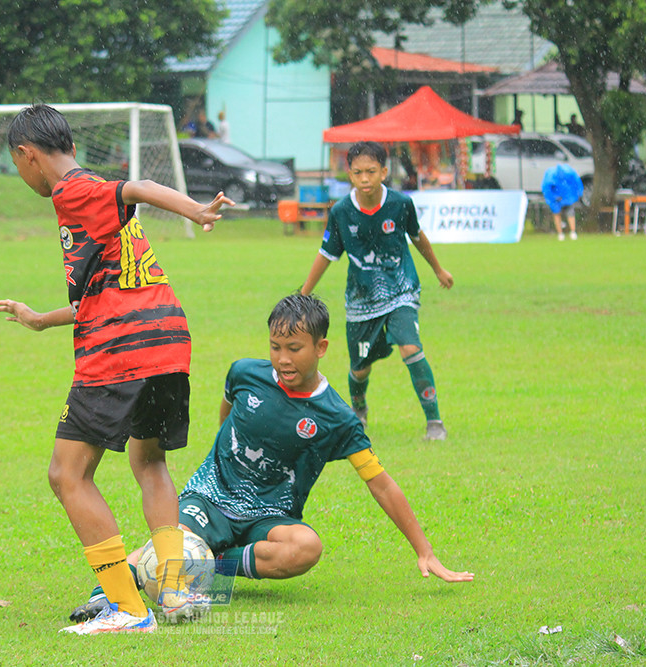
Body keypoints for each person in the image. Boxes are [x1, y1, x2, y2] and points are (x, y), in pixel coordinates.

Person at [68, 294, 474, 623]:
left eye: (294, 349)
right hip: (211, 498)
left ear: (321, 347)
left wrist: (424, 550)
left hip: (268, 516)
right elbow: (225, 418)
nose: (283, 358)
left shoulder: (338, 418)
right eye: (276, 347)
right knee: (175, 541)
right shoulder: (245, 373)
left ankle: (210, 563)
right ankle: (107, 595)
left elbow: (380, 483)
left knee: (305, 546)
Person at [0, 104, 232, 636]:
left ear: (26, 155)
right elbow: (102, 294)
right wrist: (40, 320)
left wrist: (193, 210)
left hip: (121, 349)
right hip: (167, 339)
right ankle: (172, 590)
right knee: (149, 463)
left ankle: (128, 608)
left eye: (17, 164)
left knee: (68, 473)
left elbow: (140, 187)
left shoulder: (73, 191)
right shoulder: (91, 206)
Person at [299, 141, 454, 441]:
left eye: (371, 171)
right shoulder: (342, 211)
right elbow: (327, 254)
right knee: (360, 369)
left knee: (411, 348)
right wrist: (304, 293)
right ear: (350, 174)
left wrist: (438, 269)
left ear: (384, 172)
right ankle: (359, 410)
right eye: (358, 173)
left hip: (401, 290)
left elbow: (417, 236)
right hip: (361, 300)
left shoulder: (400, 204)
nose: (365, 179)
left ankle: (434, 422)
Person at [541, 163, 583, 241]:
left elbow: (577, 183)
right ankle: (561, 233)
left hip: (568, 197)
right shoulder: (550, 176)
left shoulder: (569, 173)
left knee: (570, 213)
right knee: (558, 214)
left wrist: (578, 193)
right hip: (557, 198)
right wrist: (554, 197)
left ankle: (572, 232)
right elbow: (547, 189)